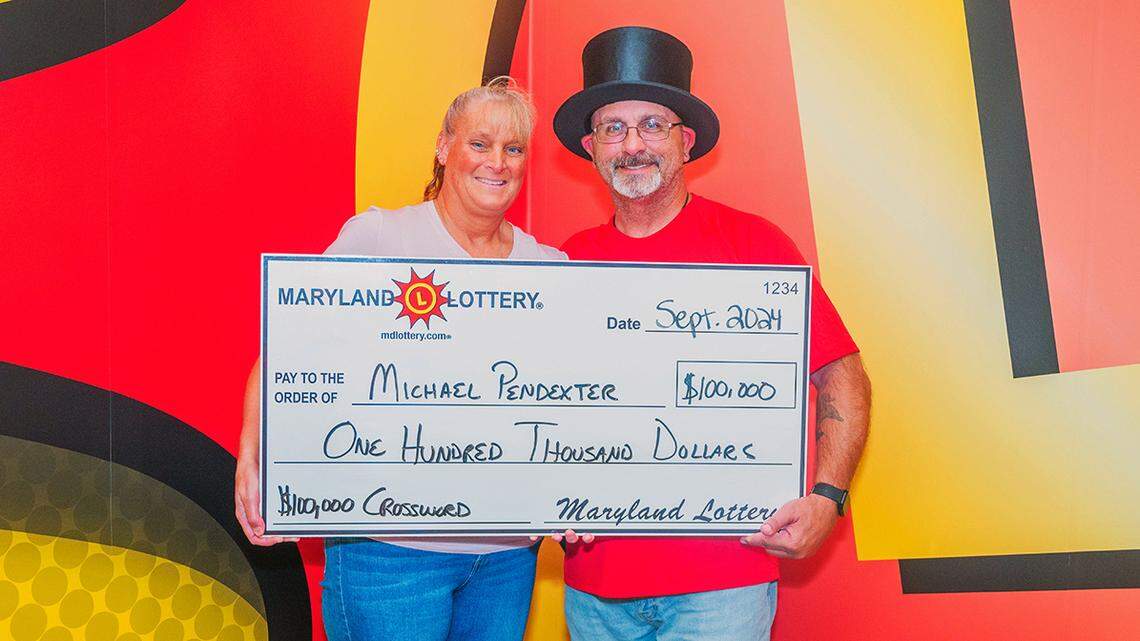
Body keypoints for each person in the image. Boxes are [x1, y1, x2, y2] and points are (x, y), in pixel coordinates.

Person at [550, 27, 872, 640]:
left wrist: (827, 498)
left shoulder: (756, 247)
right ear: (591, 147)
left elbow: (841, 373)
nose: (633, 145)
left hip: (724, 584)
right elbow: (536, 403)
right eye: (614, 128)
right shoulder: (565, 262)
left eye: (653, 125)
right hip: (594, 587)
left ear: (686, 141)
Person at [234, 76, 565, 641]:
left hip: (506, 558)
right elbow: (287, 348)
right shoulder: (380, 237)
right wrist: (252, 453)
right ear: (444, 146)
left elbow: (572, 399)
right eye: (479, 143)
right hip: (387, 553)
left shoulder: (549, 266)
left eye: (513, 148)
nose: (497, 162)